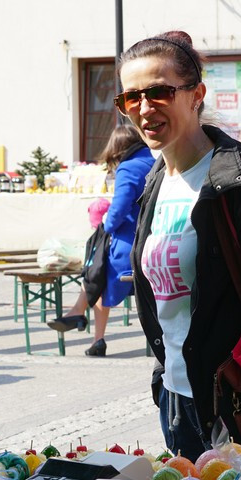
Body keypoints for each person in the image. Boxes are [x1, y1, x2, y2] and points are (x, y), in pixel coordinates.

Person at [121, 31, 241, 460]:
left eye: (158, 92)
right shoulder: (155, 181)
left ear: (196, 95)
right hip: (177, 399)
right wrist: (162, 378)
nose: (144, 108)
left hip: (239, 411)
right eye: (130, 98)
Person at [47, 125, 155, 356]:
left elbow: (119, 209)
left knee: (98, 266)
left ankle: (91, 329)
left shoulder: (128, 168)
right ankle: (79, 315)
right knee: (99, 263)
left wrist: (107, 223)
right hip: (154, 239)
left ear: (116, 148)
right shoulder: (154, 161)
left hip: (131, 246)